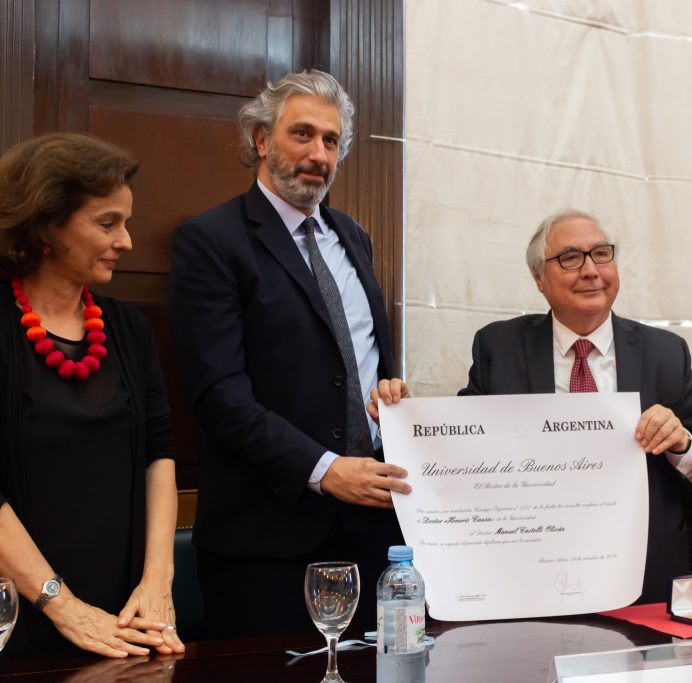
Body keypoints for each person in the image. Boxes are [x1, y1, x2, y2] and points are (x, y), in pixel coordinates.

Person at [372, 209, 692, 604]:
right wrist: (400, 419)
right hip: (529, 578)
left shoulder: (665, 352)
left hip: (644, 580)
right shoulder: (500, 347)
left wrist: (681, 444)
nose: (591, 270)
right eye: (570, 258)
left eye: (601, 254)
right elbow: (460, 449)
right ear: (539, 279)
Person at [169, 69, 408, 638]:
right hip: (264, 541)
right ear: (261, 140)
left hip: (372, 530)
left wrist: (387, 392)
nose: (318, 153)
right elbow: (219, 397)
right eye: (302, 134)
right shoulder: (211, 240)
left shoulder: (354, 236)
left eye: (330, 141)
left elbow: (356, 358)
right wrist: (326, 472)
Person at [0, 133, 184, 657]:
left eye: (125, 222)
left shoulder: (127, 328)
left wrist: (157, 583)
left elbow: (159, 454)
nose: (126, 241)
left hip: (125, 616)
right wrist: (62, 605)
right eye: (107, 223)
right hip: (19, 616)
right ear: (46, 227)